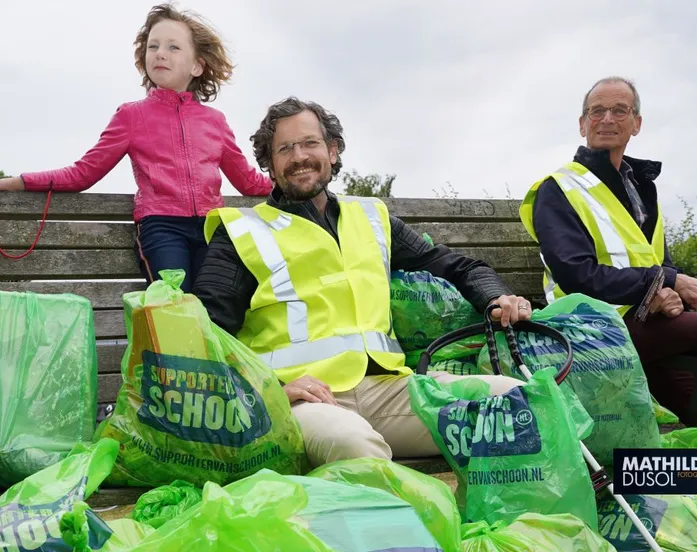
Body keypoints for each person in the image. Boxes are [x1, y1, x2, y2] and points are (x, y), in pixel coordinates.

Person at [192, 97, 532, 468]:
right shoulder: (242, 232)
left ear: (332, 151)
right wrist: (269, 390)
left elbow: (454, 266)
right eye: (284, 149)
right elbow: (206, 334)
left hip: (390, 390)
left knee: (517, 402)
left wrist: (497, 298)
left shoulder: (372, 217)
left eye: (310, 143)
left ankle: (493, 525)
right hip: (303, 402)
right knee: (355, 445)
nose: (299, 156)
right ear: (270, 165)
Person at [520, 76, 697, 469]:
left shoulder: (641, 186)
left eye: (619, 110)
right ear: (582, 123)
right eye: (597, 111)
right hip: (588, 332)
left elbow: (658, 259)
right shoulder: (559, 188)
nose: (607, 119)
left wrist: (667, 291)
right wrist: (662, 284)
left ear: (636, 123)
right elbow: (576, 275)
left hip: (641, 325)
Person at [0, 3, 271, 293]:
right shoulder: (131, 116)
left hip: (212, 228)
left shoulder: (215, 122)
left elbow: (248, 180)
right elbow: (84, 173)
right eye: (153, 46)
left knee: (217, 305)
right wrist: (19, 182)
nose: (160, 54)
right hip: (162, 227)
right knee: (176, 307)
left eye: (173, 47)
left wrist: (296, 184)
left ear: (197, 65)